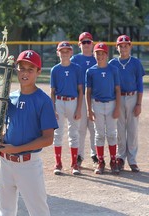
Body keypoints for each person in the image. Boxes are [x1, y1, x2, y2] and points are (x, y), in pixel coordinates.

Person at [0, 50, 58, 216]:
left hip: (28, 164)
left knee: (38, 212)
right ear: (15, 70)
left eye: (30, 69)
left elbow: (48, 139)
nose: (25, 73)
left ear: (39, 71)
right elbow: (5, 133)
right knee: (6, 210)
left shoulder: (43, 100)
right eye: (21, 68)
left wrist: (16, 150)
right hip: (5, 163)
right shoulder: (10, 98)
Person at [108, 35, 145, 172]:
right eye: (120, 45)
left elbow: (140, 85)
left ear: (130, 46)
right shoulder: (112, 63)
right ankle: (120, 157)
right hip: (118, 98)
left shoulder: (135, 62)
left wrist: (139, 104)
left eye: (126, 45)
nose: (123, 48)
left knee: (132, 129)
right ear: (116, 47)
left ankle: (132, 160)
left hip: (132, 97)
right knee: (120, 129)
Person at [86, 42, 121, 174]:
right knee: (99, 134)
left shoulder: (113, 70)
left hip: (111, 103)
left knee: (112, 134)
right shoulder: (91, 71)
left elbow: (117, 89)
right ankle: (100, 161)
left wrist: (117, 107)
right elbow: (88, 91)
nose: (100, 56)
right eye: (97, 53)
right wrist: (89, 109)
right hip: (97, 103)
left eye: (102, 53)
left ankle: (113, 160)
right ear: (94, 54)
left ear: (107, 54)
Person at [50, 41, 83, 175]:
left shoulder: (77, 68)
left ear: (71, 53)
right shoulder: (55, 69)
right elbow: (52, 91)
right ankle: (58, 163)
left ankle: (74, 163)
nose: (64, 53)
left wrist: (79, 108)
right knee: (57, 133)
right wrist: (53, 109)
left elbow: (81, 90)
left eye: (67, 51)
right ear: (58, 53)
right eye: (62, 51)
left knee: (74, 133)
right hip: (59, 101)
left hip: (73, 101)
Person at [71, 32, 98, 166]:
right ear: (79, 44)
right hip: (80, 97)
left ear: (92, 43)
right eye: (83, 42)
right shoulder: (75, 59)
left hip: (95, 97)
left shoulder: (97, 58)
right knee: (80, 128)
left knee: (94, 128)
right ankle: (79, 155)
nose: (86, 44)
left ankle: (95, 155)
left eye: (88, 42)